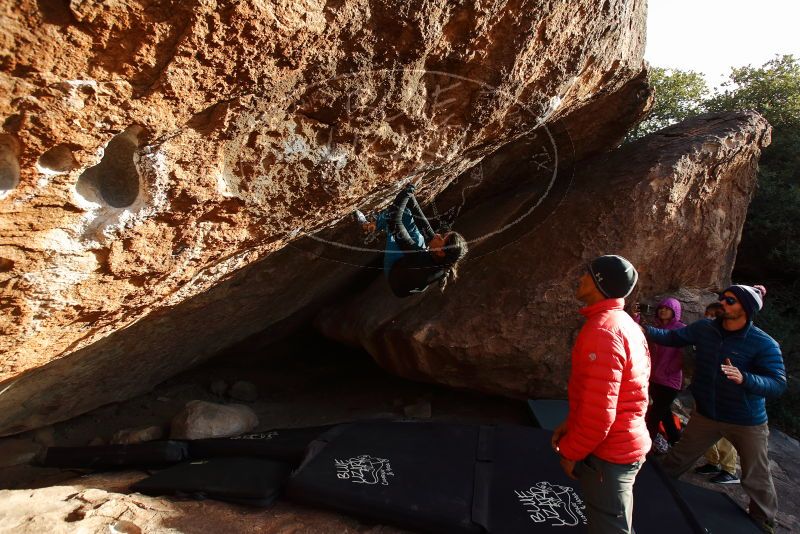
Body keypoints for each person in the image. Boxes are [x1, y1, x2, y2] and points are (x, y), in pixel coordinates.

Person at [643, 285, 786, 533]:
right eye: (722, 298)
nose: (722, 303)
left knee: (756, 475)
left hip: (746, 420)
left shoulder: (764, 343)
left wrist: (745, 378)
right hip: (706, 414)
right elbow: (672, 338)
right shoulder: (705, 329)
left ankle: (763, 520)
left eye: (730, 301)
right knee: (677, 459)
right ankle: (650, 493)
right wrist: (643, 329)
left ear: (746, 308)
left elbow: (777, 383)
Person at [551, 255, 651, 534]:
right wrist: (571, 424)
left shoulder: (603, 332)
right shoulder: (625, 324)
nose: (581, 278)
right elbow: (609, 396)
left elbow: (600, 414)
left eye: (587, 274)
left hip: (609, 455)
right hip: (623, 443)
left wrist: (571, 451)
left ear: (599, 283)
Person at [355, 184, 468, 298]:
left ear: (441, 252)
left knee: (397, 217)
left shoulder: (419, 259)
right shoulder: (443, 259)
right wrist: (410, 193)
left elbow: (394, 220)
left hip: (394, 269)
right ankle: (376, 225)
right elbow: (426, 229)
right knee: (409, 217)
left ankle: (367, 227)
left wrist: (407, 191)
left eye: (441, 238)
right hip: (410, 267)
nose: (438, 235)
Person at [693, 301, 741, 484]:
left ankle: (729, 469)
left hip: (726, 394)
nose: (709, 319)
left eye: (713, 316)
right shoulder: (708, 335)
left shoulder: (734, 339)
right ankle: (713, 462)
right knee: (705, 432)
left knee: (725, 434)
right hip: (706, 390)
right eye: (707, 315)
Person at [645, 298, 686, 449]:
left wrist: (669, 370)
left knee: (655, 415)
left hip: (670, 380)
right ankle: (675, 439)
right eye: (661, 308)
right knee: (664, 412)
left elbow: (682, 355)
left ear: (675, 311)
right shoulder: (656, 328)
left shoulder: (681, 329)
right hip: (654, 378)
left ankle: (646, 447)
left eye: (667, 308)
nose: (663, 310)